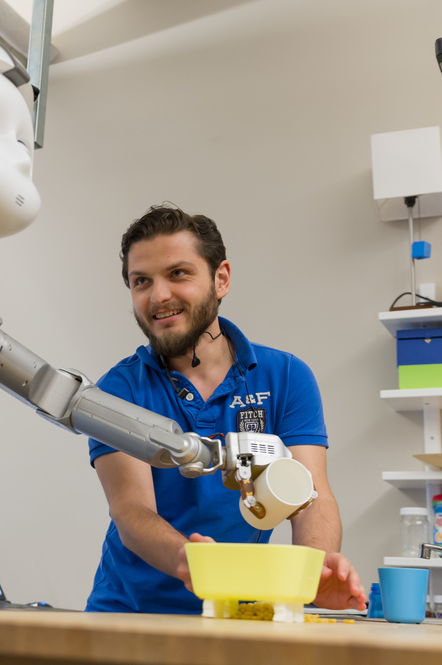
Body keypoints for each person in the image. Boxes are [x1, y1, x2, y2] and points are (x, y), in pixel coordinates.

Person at [84, 204, 367, 615]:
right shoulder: (117, 391)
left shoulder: (285, 376)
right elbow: (131, 510)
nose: (158, 295)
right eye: (141, 281)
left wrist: (314, 571)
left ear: (221, 279)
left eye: (178, 273)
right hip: (132, 615)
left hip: (240, 614)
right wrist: (194, 562)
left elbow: (312, 496)